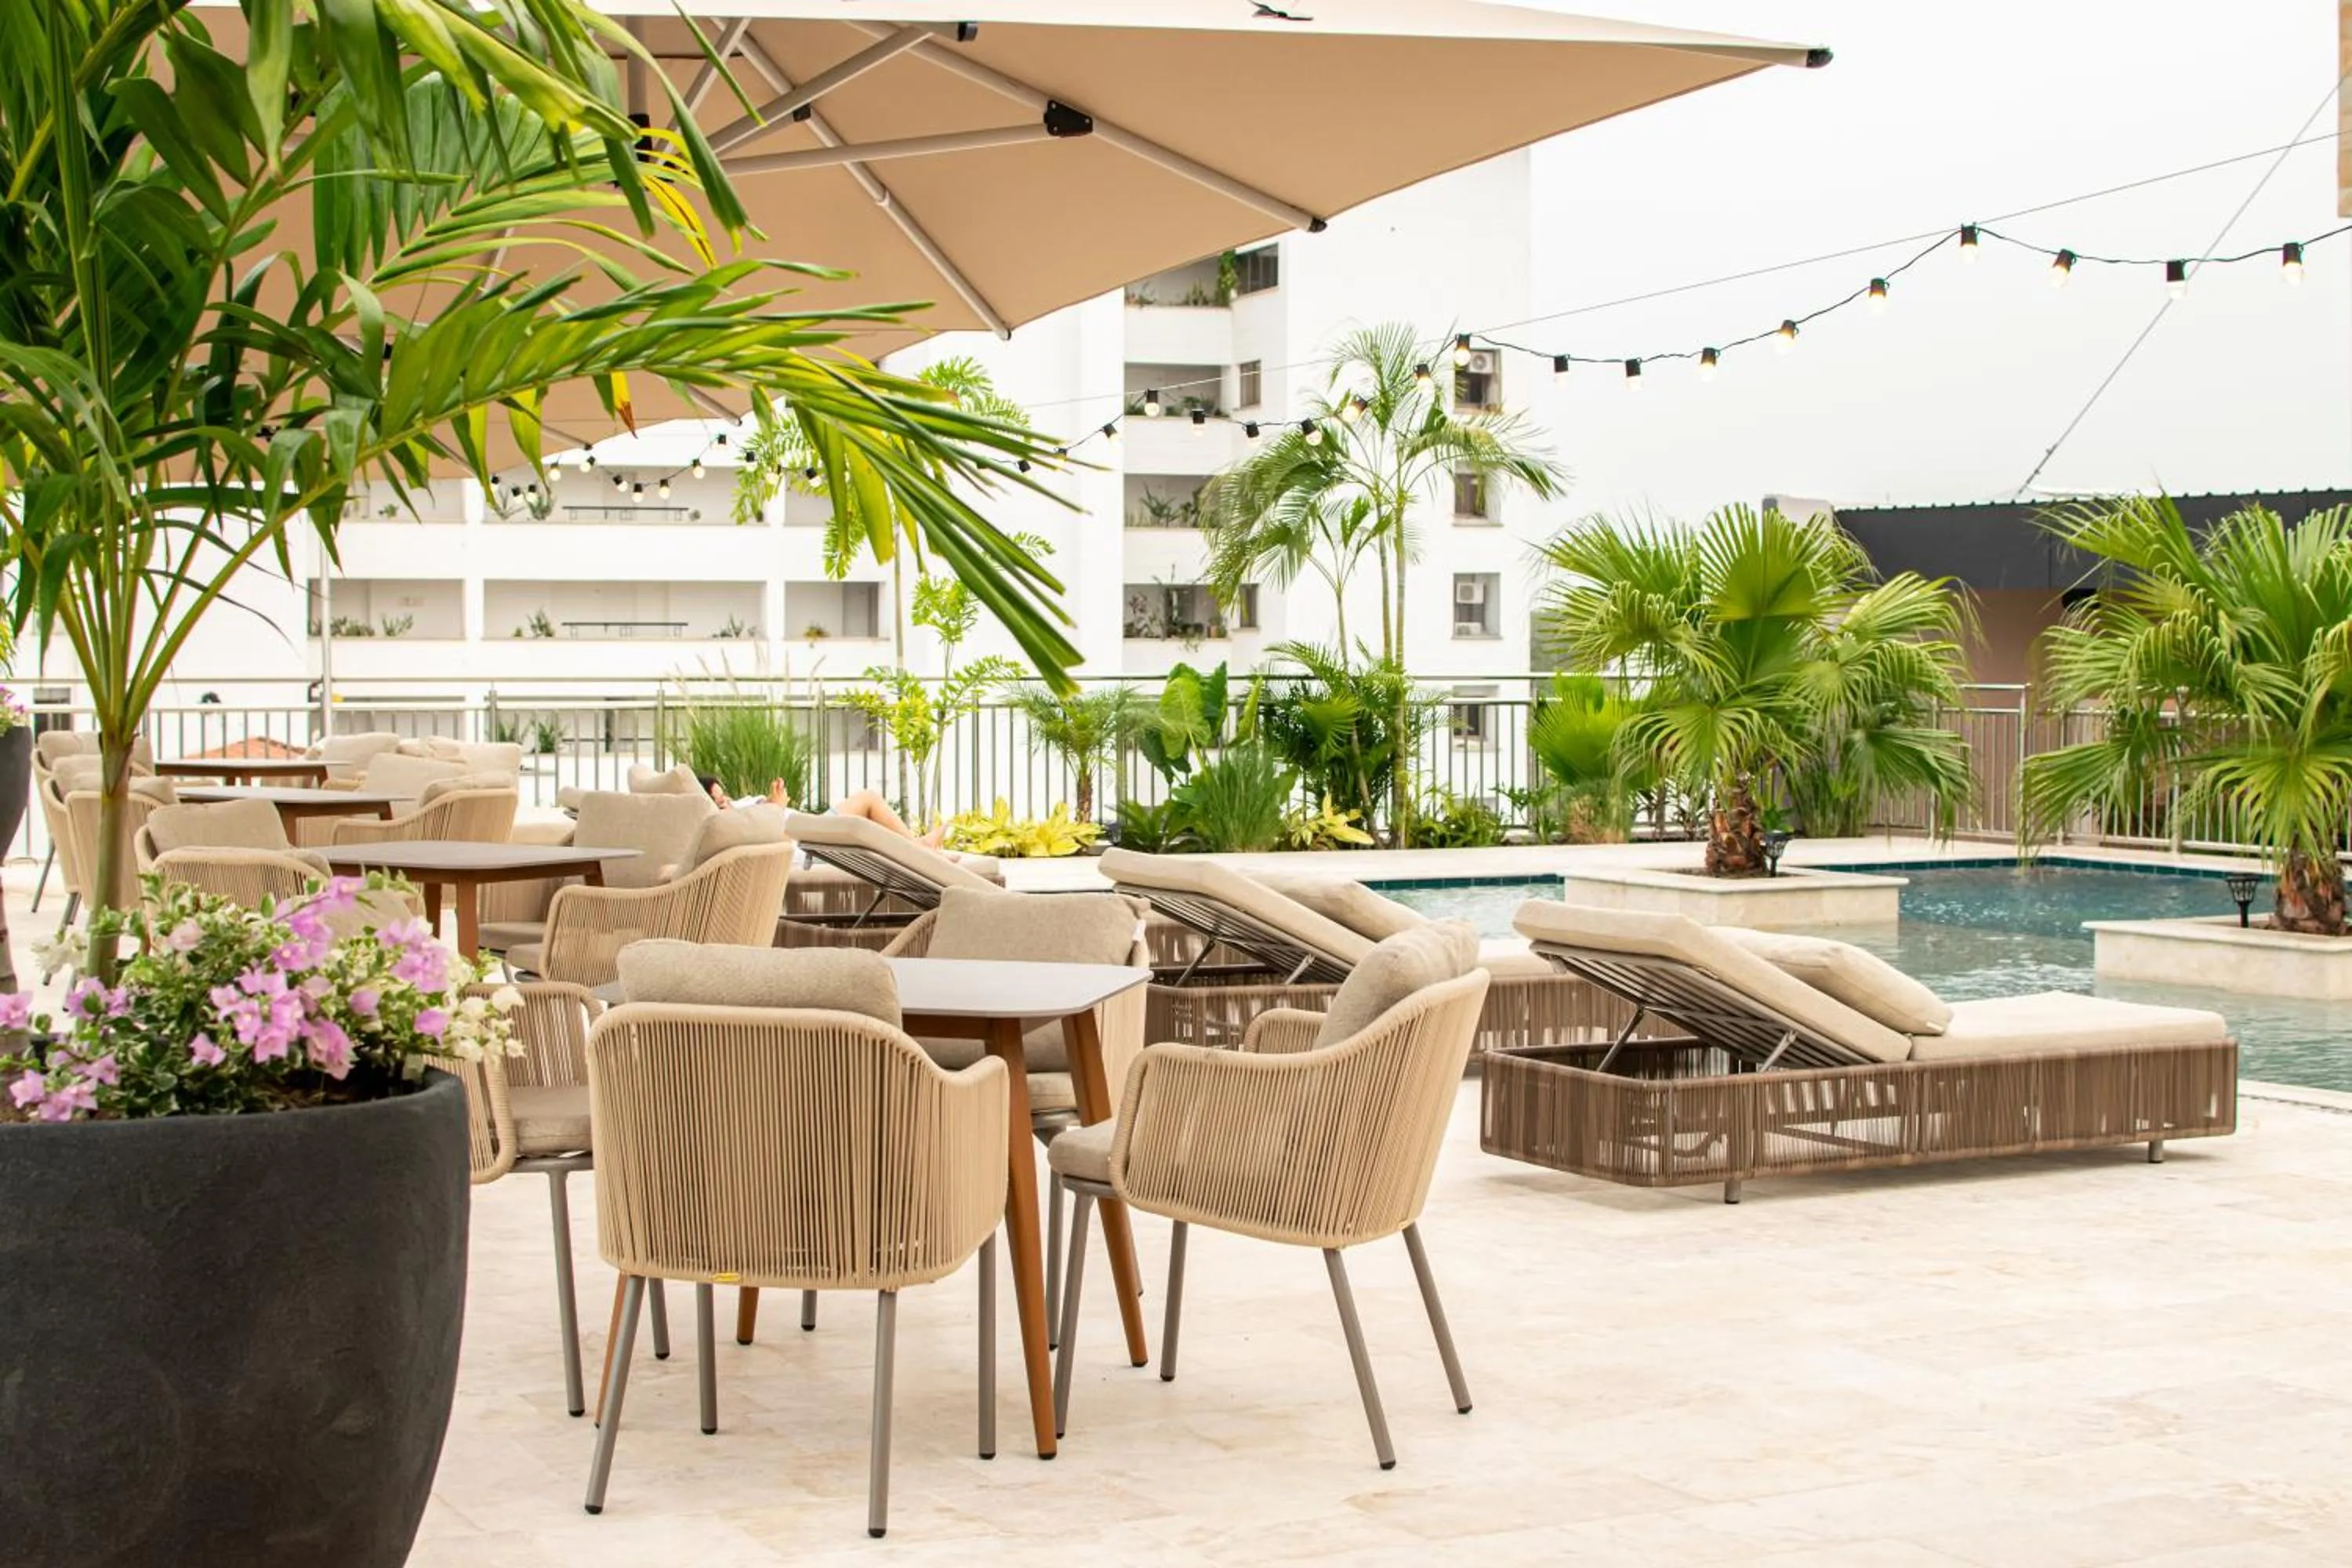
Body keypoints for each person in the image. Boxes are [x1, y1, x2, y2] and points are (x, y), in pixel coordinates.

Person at [699, 775, 946, 848]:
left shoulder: (737, 808)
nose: (727, 801)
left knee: (868, 808)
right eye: (720, 801)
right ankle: (920, 849)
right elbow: (771, 837)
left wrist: (770, 803)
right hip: (809, 841)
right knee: (868, 800)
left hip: (811, 828)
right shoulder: (725, 824)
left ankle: (918, 847)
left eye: (725, 795)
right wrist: (775, 808)